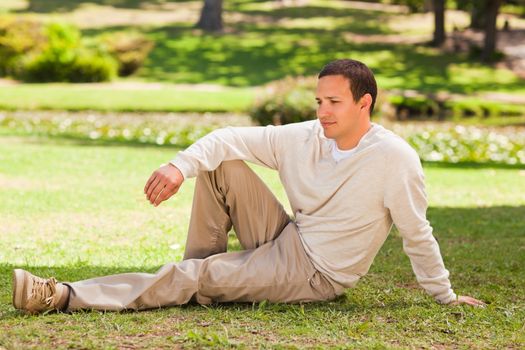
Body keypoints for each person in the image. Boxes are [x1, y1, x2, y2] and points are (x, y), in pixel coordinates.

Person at [12, 59, 485, 315]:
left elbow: (415, 232)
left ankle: (64, 295)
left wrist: (443, 295)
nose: (323, 111)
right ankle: (198, 279)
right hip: (289, 239)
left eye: (334, 102)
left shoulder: (393, 158)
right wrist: (180, 166)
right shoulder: (305, 136)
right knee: (222, 165)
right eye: (319, 100)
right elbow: (228, 139)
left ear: (365, 103)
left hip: (317, 273)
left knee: (196, 277)